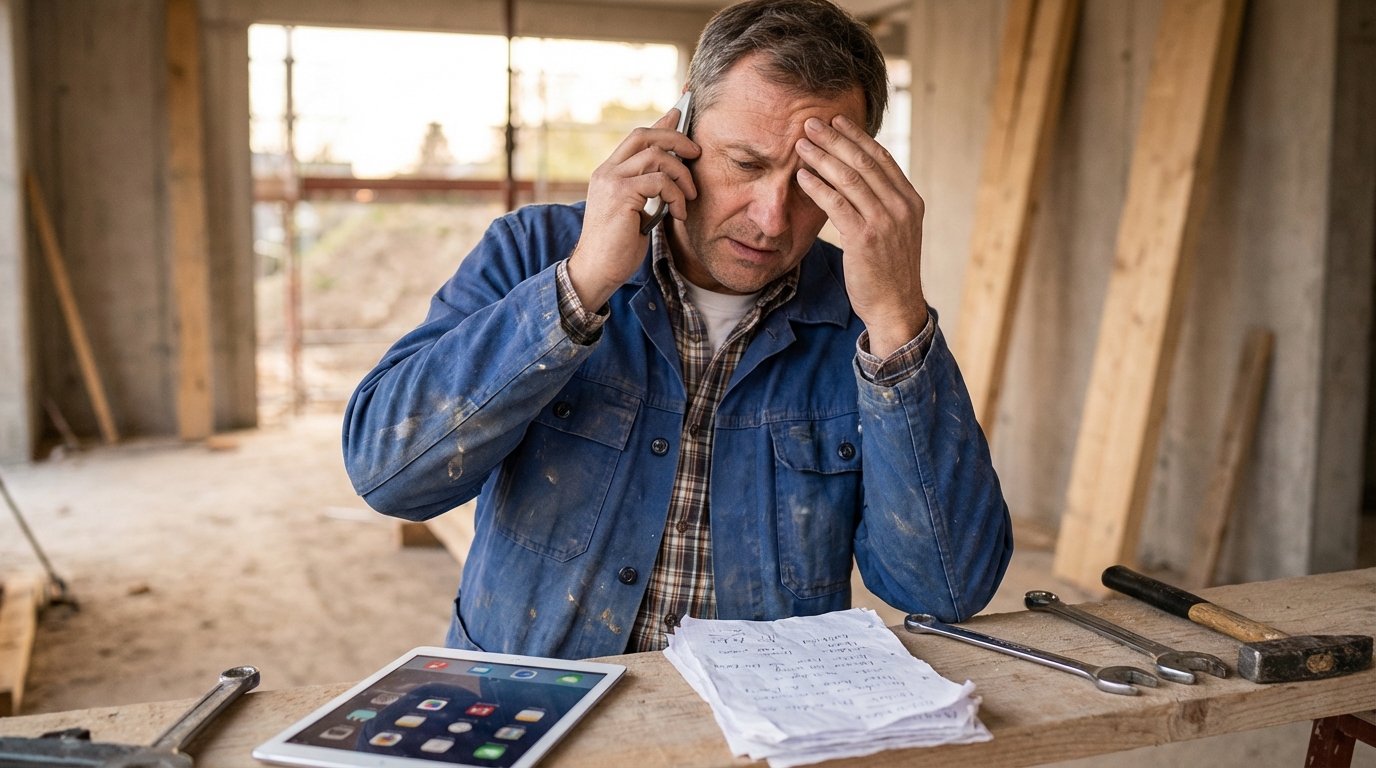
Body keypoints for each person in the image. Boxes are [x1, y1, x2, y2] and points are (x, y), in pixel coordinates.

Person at [343, 0, 1012, 659]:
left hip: (758, 728)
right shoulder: (535, 250)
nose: (773, 218)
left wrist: (897, 320)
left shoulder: (870, 319)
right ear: (682, 126)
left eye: (813, 181)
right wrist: (579, 287)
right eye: (746, 165)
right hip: (531, 705)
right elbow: (390, 478)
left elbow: (944, 589)